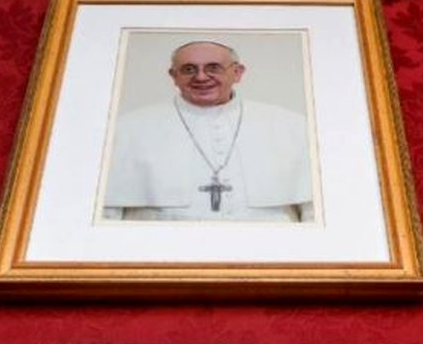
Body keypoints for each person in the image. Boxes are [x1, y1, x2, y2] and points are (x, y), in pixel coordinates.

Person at [101, 41, 314, 222]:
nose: (201, 77)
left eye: (214, 68)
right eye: (188, 69)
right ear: (173, 76)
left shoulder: (291, 125)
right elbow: (104, 216)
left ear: (237, 73)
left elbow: (315, 212)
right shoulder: (126, 129)